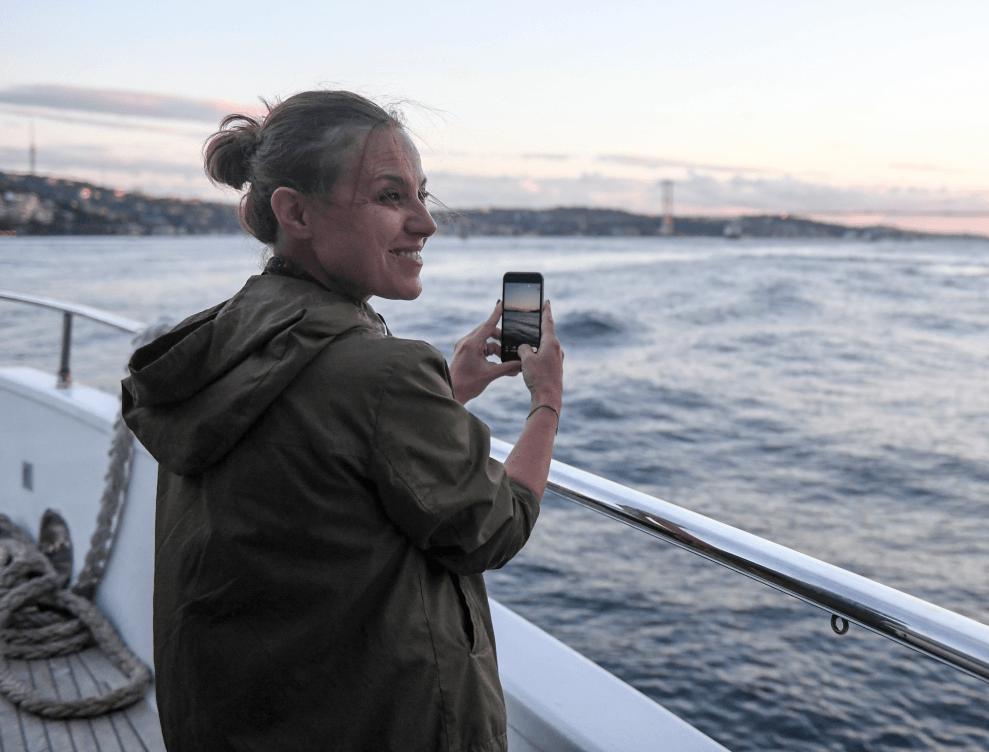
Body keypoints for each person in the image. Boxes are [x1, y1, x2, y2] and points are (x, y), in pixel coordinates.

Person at [121, 90, 564, 752]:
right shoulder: (380, 374)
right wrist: (545, 403)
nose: (426, 223)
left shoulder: (228, 342)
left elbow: (315, 443)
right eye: (391, 196)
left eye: (422, 195)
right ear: (295, 212)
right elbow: (494, 527)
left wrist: (448, 388)